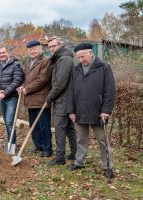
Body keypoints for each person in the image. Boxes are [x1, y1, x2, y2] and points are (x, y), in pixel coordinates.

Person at [67, 43, 115, 178]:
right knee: (81, 139)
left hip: (98, 112)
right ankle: (79, 162)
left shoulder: (104, 67)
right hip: (80, 110)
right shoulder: (76, 70)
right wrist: (71, 111)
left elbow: (110, 91)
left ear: (91, 53)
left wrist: (106, 110)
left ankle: (107, 167)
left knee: (102, 140)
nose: (81, 60)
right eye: (78, 57)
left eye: (83, 56)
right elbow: (71, 91)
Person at [44, 36, 77, 165]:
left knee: (60, 128)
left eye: (54, 46)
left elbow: (60, 83)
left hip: (63, 99)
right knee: (69, 128)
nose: (52, 49)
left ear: (60, 45)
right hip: (64, 99)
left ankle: (60, 158)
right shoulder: (61, 58)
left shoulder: (63, 59)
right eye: (50, 47)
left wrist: (49, 97)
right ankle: (75, 153)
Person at [18, 40, 53, 157]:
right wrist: (22, 86)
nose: (32, 51)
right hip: (30, 99)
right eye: (30, 50)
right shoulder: (29, 62)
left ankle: (47, 148)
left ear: (39, 49)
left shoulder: (46, 61)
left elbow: (42, 80)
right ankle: (38, 145)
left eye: (34, 49)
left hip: (41, 99)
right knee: (33, 125)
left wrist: (27, 89)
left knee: (44, 125)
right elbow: (26, 78)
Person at [0, 45, 24, 150]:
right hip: (1, 98)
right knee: (6, 121)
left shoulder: (16, 64)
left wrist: (5, 93)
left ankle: (12, 144)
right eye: (0, 53)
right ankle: (10, 142)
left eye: (3, 52)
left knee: (10, 121)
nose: (2, 55)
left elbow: (17, 81)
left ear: (8, 53)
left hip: (11, 98)